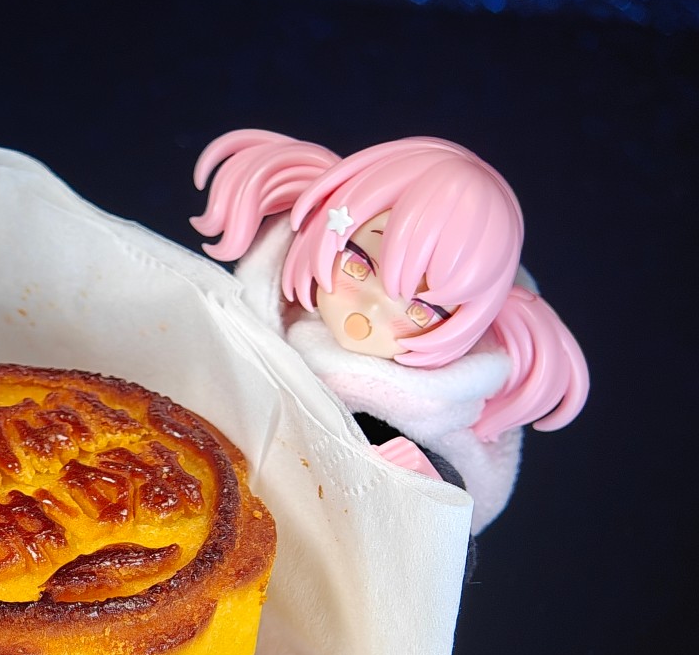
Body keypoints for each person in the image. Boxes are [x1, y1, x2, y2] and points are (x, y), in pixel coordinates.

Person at [191, 129, 587, 533]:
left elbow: (445, 540)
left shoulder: (424, 411)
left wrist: (426, 489)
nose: (374, 307)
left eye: (421, 309)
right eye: (358, 264)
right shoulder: (261, 312)